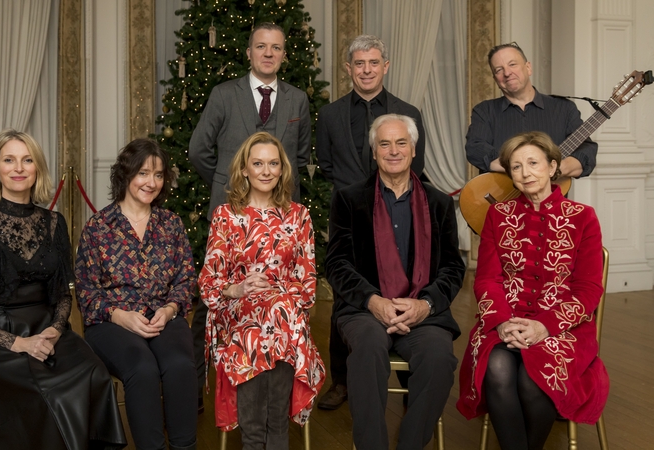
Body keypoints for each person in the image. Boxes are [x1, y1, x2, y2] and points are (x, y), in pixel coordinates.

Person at [0, 129, 126, 450]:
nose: (18, 168)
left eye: (27, 160)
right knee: (49, 393)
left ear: (38, 168)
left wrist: (53, 329)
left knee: (95, 375)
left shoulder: (55, 223)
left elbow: (64, 295)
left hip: (46, 329)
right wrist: (18, 343)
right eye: (9, 160)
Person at [457, 131, 609, 450]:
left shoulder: (583, 218)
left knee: (532, 377)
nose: (525, 173)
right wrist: (502, 322)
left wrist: (544, 326)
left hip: (563, 327)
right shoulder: (498, 215)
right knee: (497, 370)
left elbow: (588, 290)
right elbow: (486, 279)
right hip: (504, 322)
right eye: (516, 166)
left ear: (553, 167)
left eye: (533, 163)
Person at [188, 22, 312, 412]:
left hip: (281, 227)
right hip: (235, 218)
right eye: (261, 46)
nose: (269, 53)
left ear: (284, 54)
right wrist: (232, 183)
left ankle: (274, 392)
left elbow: (302, 156)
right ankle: (198, 391)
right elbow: (198, 151)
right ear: (248, 52)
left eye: (276, 48)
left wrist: (272, 194)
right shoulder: (223, 95)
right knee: (211, 306)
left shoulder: (298, 99)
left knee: (277, 310)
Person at [326, 114, 464, 450]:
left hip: (422, 311)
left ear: (413, 149)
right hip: (365, 309)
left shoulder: (440, 203)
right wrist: (373, 301)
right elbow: (336, 263)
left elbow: (452, 267)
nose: (393, 151)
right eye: (384, 144)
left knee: (438, 357)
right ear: (374, 152)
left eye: (401, 143)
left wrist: (425, 304)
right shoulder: (349, 199)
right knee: (369, 349)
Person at [315, 34, 427, 410]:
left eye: (373, 62)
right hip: (350, 216)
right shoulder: (329, 115)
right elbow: (326, 165)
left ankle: (411, 378)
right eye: (359, 64)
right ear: (349, 68)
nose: (366, 70)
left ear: (385, 66)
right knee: (347, 292)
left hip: (400, 214)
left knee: (406, 286)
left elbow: (418, 166)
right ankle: (343, 381)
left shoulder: (408, 111)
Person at [199, 132, 325, 449]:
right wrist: (239, 288)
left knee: (278, 310)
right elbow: (210, 282)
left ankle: (269, 434)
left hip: (284, 318)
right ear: (244, 169)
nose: (266, 171)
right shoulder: (226, 216)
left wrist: (276, 295)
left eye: (273, 163)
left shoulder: (299, 216)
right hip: (237, 315)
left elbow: (307, 282)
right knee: (269, 318)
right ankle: (259, 436)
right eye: (258, 164)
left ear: (282, 169)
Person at [75, 139, 197, 450]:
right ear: (126, 174)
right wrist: (120, 316)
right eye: (144, 173)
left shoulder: (171, 224)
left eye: (158, 175)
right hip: (112, 322)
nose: (151, 182)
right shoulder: (98, 227)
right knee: (142, 370)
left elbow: (186, 279)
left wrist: (170, 309)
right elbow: (86, 290)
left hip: (163, 317)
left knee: (180, 364)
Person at [466, 42, 598, 178]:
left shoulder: (564, 108)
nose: (507, 73)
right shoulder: (484, 111)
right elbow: (475, 148)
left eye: (512, 64)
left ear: (528, 68)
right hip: (501, 197)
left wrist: (559, 168)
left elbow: (587, 150)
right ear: (495, 79)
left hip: (552, 197)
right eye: (499, 70)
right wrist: (520, 168)